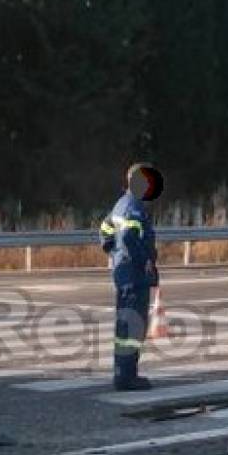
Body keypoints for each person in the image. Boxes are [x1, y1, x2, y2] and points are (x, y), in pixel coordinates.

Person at [99, 162, 162, 392]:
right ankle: (127, 376)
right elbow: (127, 236)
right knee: (133, 325)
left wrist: (111, 251)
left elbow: (105, 229)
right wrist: (143, 259)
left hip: (125, 271)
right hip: (134, 273)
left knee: (126, 324)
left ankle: (123, 372)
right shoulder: (133, 206)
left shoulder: (121, 204)